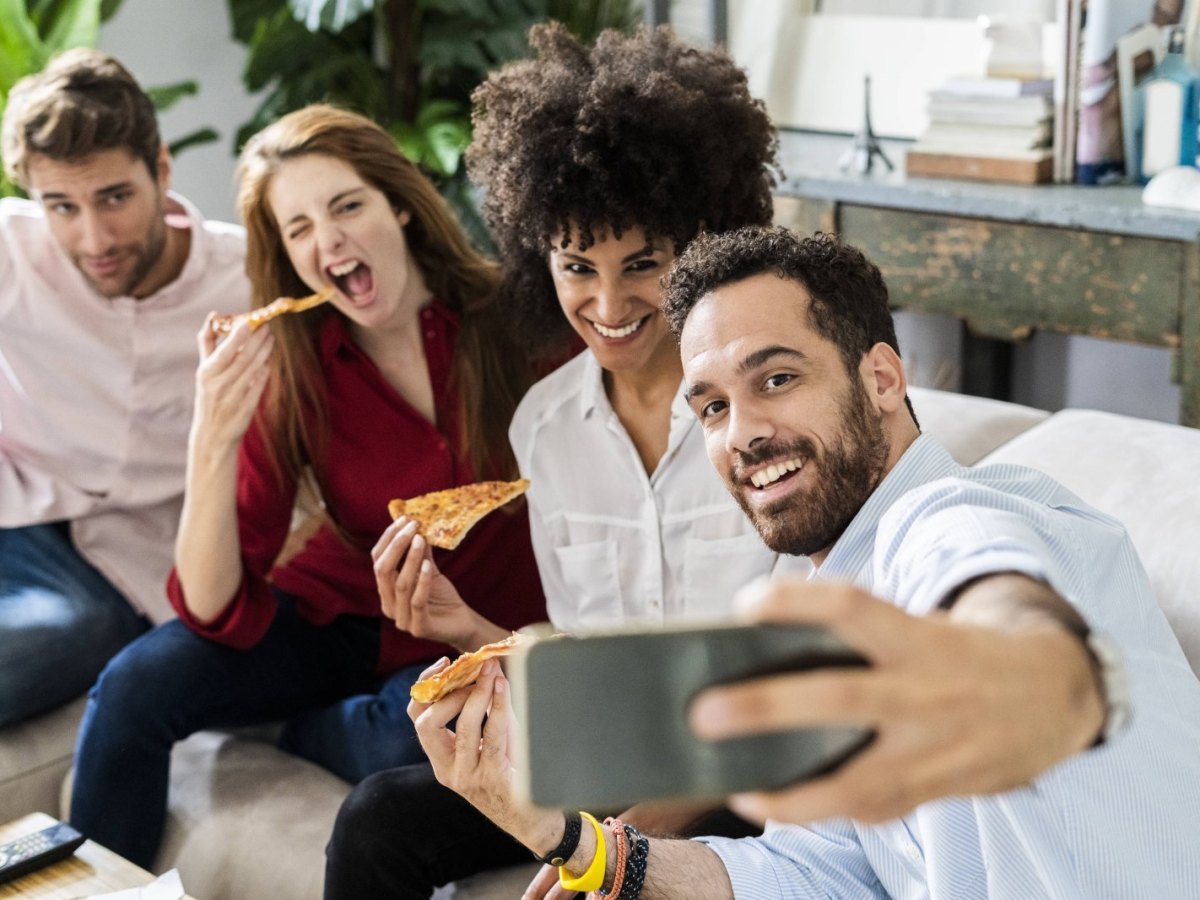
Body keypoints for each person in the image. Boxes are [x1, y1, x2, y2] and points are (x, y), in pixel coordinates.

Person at [411, 226, 1200, 899]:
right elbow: (815, 872)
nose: (742, 433)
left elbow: (999, 596)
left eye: (777, 379)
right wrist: (566, 839)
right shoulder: (816, 590)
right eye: (713, 406)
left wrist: (1021, 678)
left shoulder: (968, 517)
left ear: (882, 379)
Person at [323, 23, 786, 899]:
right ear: (541, 255)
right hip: (605, 757)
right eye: (578, 266)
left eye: (642, 264)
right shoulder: (546, 423)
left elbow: (791, 677)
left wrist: (628, 839)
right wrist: (463, 625)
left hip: (747, 772)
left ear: (700, 240)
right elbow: (582, 667)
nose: (608, 305)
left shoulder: (766, 416)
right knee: (377, 819)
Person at [68, 104, 548, 869]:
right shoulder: (294, 360)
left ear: (397, 201)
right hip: (342, 610)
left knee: (411, 738)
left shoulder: (521, 324)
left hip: (469, 633)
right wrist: (211, 435)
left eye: (347, 206)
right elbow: (214, 604)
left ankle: (307, 727)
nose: (329, 242)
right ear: (287, 257)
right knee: (133, 686)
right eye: (298, 229)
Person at [0, 48, 249, 728]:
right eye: (61, 206)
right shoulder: (11, 249)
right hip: (16, 514)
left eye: (115, 197)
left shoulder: (250, 280)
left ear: (161, 170)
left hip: (124, 560)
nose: (94, 237)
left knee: (82, 631)